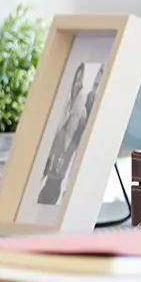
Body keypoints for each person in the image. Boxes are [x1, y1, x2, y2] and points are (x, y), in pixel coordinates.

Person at [38, 63, 88, 206]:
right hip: (60, 135)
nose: (77, 81)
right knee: (53, 167)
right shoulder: (66, 94)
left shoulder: (82, 98)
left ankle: (54, 196)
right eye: (75, 77)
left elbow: (79, 122)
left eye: (79, 77)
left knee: (60, 171)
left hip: (70, 139)